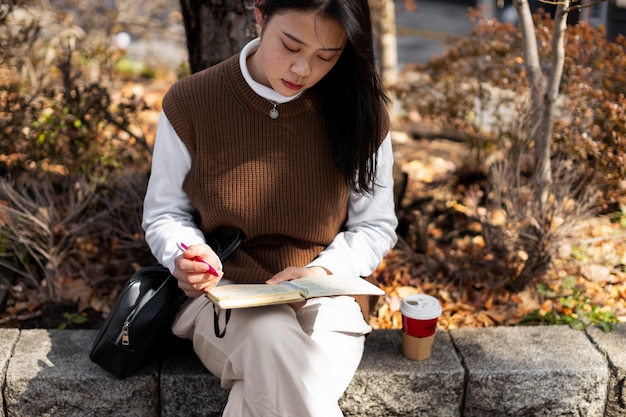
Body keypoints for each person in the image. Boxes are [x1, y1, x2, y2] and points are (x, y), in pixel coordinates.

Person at [142, 0, 397, 414]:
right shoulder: (192, 102)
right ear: (260, 15)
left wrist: (319, 272)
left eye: (325, 56)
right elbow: (165, 213)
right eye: (290, 47)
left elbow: (376, 226)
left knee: (275, 385)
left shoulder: (360, 110)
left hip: (325, 297)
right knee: (272, 336)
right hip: (223, 297)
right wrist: (186, 254)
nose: (303, 70)